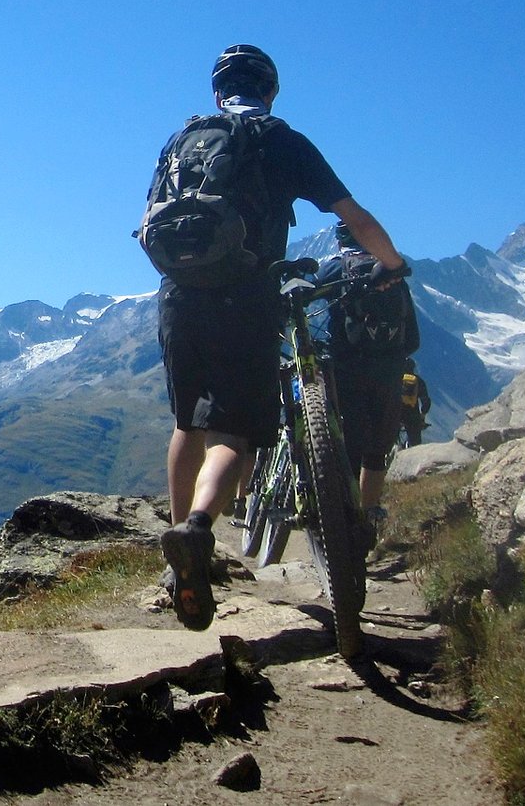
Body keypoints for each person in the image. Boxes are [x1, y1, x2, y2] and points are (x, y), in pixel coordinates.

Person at [151, 44, 407, 631]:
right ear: (269, 89)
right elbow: (355, 216)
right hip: (249, 297)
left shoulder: (181, 142)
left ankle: (181, 553)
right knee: (232, 433)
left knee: (186, 421)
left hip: (179, 298)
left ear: (219, 91)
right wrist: (390, 266)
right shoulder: (279, 139)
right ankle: (196, 530)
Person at [315, 220, 420, 545]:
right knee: (377, 447)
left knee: (348, 444)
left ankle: (342, 516)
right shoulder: (391, 273)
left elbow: (308, 289)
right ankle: (369, 513)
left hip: (347, 368)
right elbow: (412, 339)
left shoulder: (335, 268)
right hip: (389, 369)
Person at [399, 359, 432, 447]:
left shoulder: (396, 378)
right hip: (412, 414)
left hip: (395, 412)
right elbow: (426, 401)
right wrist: (422, 415)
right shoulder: (419, 381)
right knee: (415, 443)